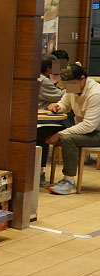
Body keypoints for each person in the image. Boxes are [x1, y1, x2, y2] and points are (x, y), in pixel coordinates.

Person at [46, 63, 100, 195]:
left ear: (82, 78)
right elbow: (65, 104)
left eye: (72, 83)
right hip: (86, 130)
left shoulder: (95, 94)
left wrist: (60, 133)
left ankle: (69, 182)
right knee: (44, 131)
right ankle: (40, 174)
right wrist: (57, 107)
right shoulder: (73, 87)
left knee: (68, 138)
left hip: (96, 132)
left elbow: (89, 125)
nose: (69, 87)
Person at [36, 55, 65, 186]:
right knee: (44, 134)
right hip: (44, 120)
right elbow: (59, 96)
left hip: (39, 119)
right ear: (48, 68)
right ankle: (40, 173)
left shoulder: (38, 77)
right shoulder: (43, 80)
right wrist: (75, 87)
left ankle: (39, 172)